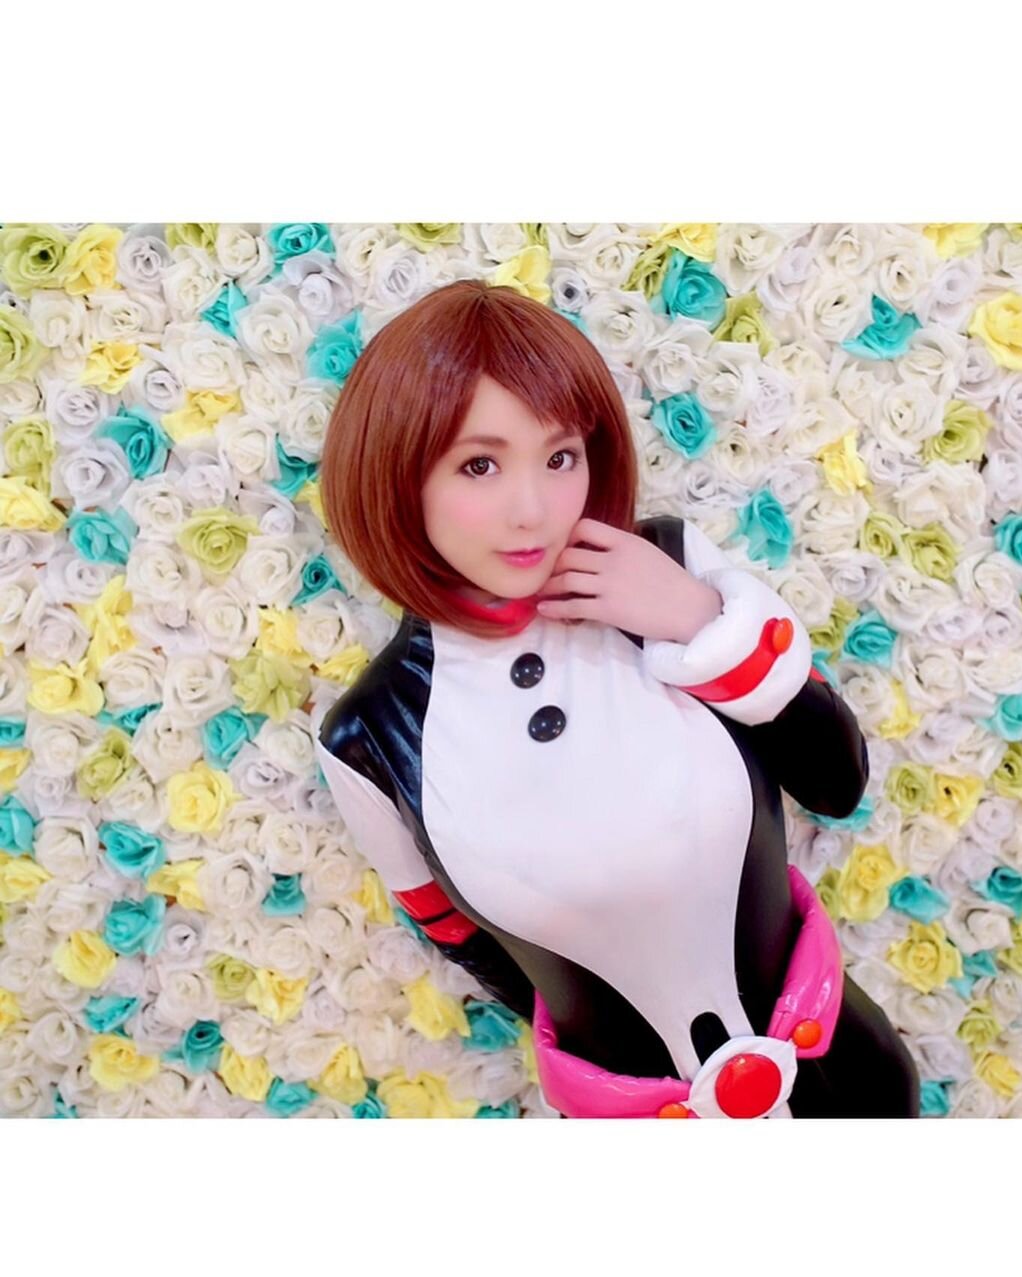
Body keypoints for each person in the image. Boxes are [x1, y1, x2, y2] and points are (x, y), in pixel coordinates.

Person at [315, 278, 920, 1119]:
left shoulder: (669, 566)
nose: (533, 510)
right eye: (479, 464)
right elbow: (471, 946)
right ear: (397, 474)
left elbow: (837, 781)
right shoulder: (372, 736)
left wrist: (698, 620)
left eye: (560, 456)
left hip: (843, 1078)